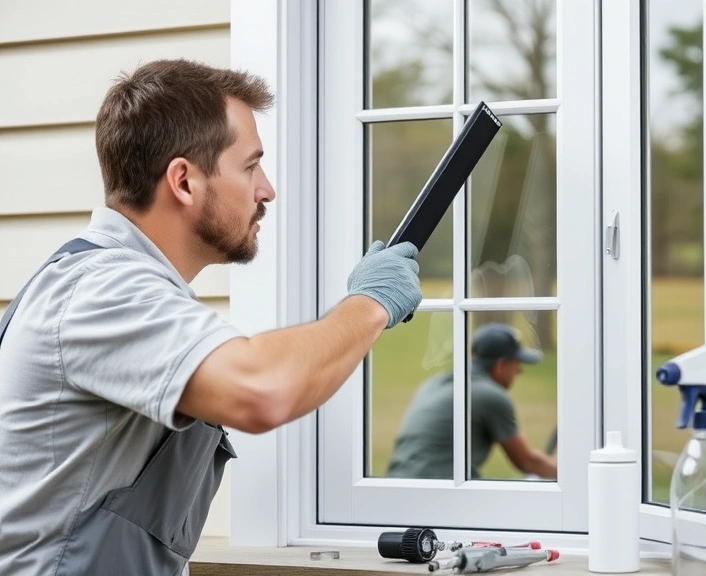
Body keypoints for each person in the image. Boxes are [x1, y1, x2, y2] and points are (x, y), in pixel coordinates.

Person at [0, 59, 422, 575]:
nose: (266, 190)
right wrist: (372, 302)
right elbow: (262, 388)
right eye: (249, 166)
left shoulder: (124, 286)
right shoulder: (102, 289)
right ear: (183, 181)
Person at [386, 323, 557, 480]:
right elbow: (529, 463)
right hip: (437, 497)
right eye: (516, 364)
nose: (519, 371)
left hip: (398, 485)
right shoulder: (490, 396)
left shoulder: (433, 384)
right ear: (500, 365)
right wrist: (569, 472)